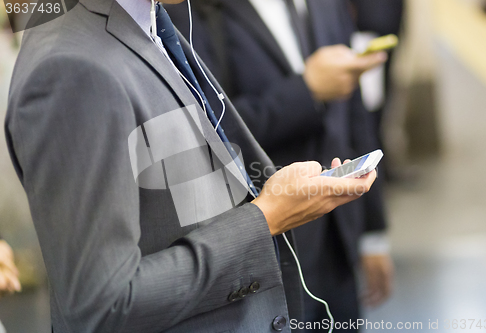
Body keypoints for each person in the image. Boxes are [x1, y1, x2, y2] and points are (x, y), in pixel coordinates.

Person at [4, 0, 378, 332]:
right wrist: (265, 219)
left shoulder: (145, 19)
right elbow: (103, 305)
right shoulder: (70, 67)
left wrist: (276, 197)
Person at [166, 0, 393, 330]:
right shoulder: (189, 13)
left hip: (339, 238)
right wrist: (306, 91)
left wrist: (374, 234)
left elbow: (355, 115)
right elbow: (205, 131)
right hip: (265, 249)